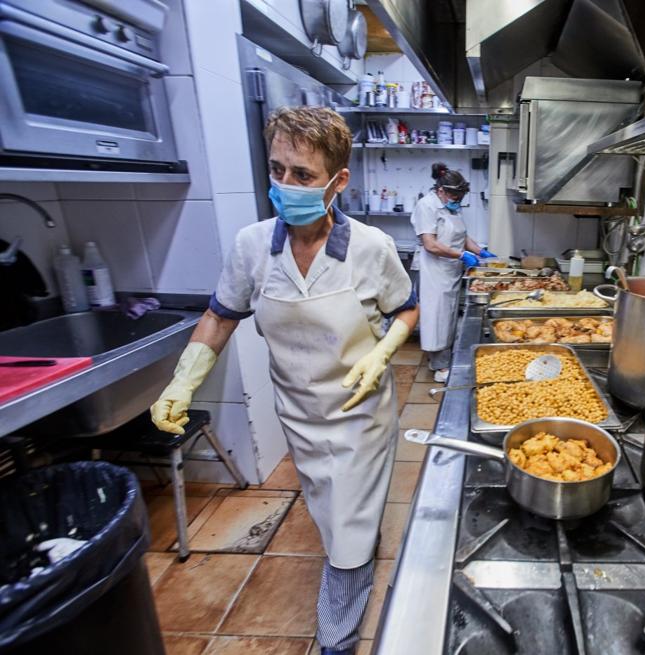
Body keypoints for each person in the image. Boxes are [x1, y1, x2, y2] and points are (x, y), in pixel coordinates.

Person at [149, 107, 418, 655]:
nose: (285, 185)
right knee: (333, 516)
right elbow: (221, 314)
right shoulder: (252, 246)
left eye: (303, 175)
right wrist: (184, 381)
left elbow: (407, 309)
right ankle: (360, 547)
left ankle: (335, 640)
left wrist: (385, 350)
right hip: (298, 414)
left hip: (360, 418)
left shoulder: (370, 248)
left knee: (344, 533)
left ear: (338, 181)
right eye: (277, 170)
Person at [411, 162, 493, 382]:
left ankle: (441, 358)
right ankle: (440, 365)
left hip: (451, 271)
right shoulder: (426, 206)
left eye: (461, 198)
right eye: (456, 197)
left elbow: (462, 237)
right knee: (436, 316)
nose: (459, 202)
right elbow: (430, 244)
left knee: (447, 316)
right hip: (434, 271)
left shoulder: (450, 206)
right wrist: (460, 256)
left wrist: (481, 252)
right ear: (441, 191)